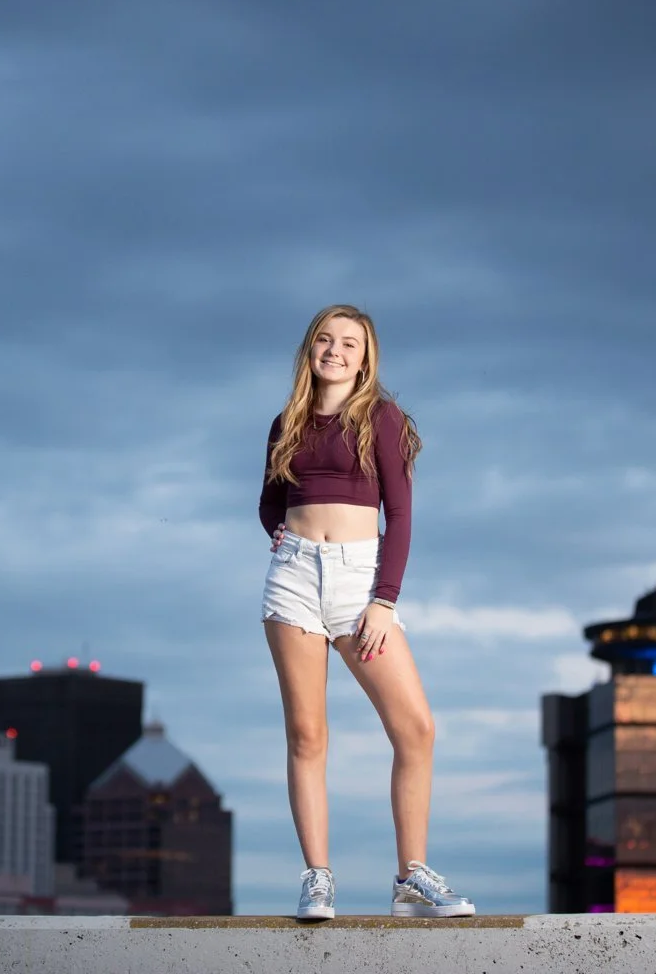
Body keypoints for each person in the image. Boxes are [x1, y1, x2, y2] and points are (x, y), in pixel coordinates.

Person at [258, 304, 475, 921]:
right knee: (307, 735)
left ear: (365, 356)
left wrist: (384, 601)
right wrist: (286, 541)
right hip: (294, 582)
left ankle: (411, 878)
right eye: (326, 340)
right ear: (311, 349)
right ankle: (318, 879)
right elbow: (268, 505)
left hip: (360, 585)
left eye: (349, 343)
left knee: (415, 728)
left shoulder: (380, 417)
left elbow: (400, 516)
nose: (336, 351)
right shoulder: (286, 423)